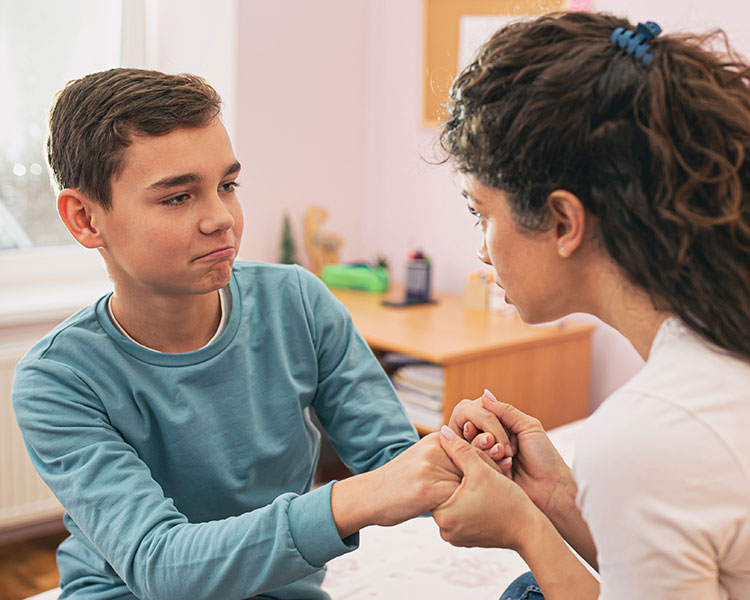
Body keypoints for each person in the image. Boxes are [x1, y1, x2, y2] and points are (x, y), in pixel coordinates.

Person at [11, 67, 465, 600]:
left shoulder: (298, 300)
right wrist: (358, 499)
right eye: (178, 197)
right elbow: (161, 565)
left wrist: (461, 455)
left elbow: (393, 458)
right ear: (85, 219)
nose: (221, 218)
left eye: (227, 186)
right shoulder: (57, 379)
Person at [430, 11, 750, 600]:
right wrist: (555, 501)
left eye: (482, 214)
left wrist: (525, 529)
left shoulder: (652, 434)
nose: (480, 249)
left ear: (562, 221)